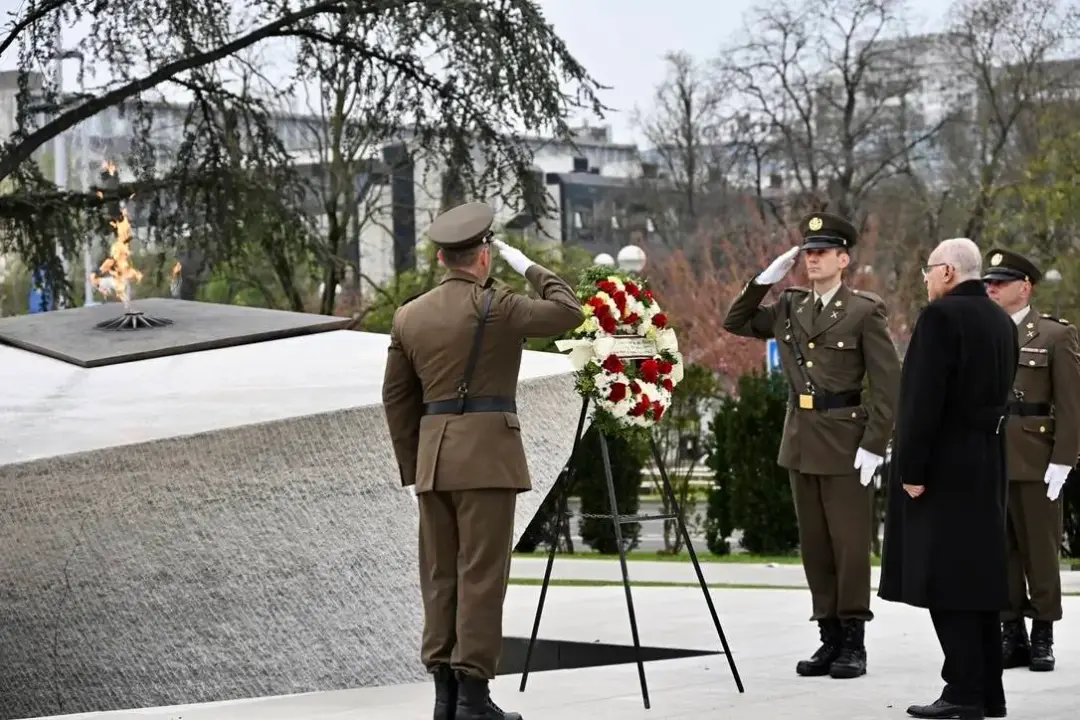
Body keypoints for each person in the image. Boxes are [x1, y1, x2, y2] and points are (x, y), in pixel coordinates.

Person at [381, 201, 583, 720]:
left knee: (440, 576)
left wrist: (415, 466)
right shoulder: (499, 305)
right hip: (488, 458)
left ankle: (443, 699)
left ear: (444, 256)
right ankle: (473, 699)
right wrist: (530, 265)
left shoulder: (409, 315)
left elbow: (397, 399)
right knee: (480, 576)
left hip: (434, 462)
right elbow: (568, 310)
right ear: (484, 254)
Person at [723, 211, 901, 679]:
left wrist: (875, 444)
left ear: (844, 259)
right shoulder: (789, 306)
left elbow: (888, 386)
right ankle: (828, 637)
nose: (813, 259)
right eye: (808, 253)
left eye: (822, 253)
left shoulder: (864, 310)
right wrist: (765, 280)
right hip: (801, 438)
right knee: (815, 547)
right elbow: (735, 321)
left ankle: (853, 642)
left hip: (846, 441)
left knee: (849, 545)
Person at [878, 237, 1018, 720]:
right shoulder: (1001, 319)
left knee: (947, 581)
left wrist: (913, 468)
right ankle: (987, 693)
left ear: (947, 272)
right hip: (988, 460)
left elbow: (921, 399)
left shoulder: (940, 319)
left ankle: (962, 691)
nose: (925, 279)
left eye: (928, 269)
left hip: (946, 464)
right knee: (978, 580)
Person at [983, 248, 1080, 672]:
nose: (991, 289)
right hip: (990, 456)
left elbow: (1072, 405)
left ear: (1025, 288)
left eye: (999, 283)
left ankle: (1043, 635)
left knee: (1039, 552)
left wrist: (1064, 460)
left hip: (1038, 459)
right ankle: (1012, 633)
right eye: (988, 282)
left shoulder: (1054, 335)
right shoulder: (983, 332)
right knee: (999, 552)